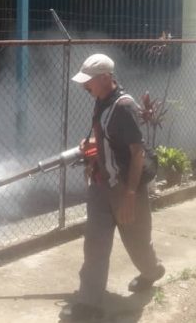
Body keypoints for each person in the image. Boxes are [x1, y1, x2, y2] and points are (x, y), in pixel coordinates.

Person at [60, 53, 165, 321]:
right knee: (95, 245)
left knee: (137, 242)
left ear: (106, 78)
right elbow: (108, 137)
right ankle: (89, 302)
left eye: (90, 81)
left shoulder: (124, 107)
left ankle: (152, 271)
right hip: (100, 185)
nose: (85, 86)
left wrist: (130, 195)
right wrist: (93, 151)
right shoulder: (101, 100)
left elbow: (137, 152)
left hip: (124, 189)